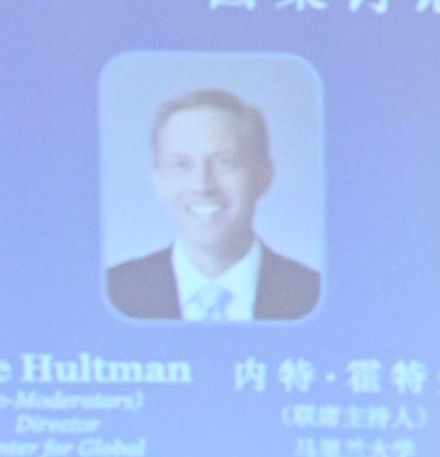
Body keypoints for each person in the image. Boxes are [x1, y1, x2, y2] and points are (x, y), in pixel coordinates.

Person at [102, 88, 320, 321]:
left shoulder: (314, 295)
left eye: (225, 163)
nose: (202, 185)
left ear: (264, 176)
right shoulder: (113, 293)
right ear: (158, 182)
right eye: (182, 165)